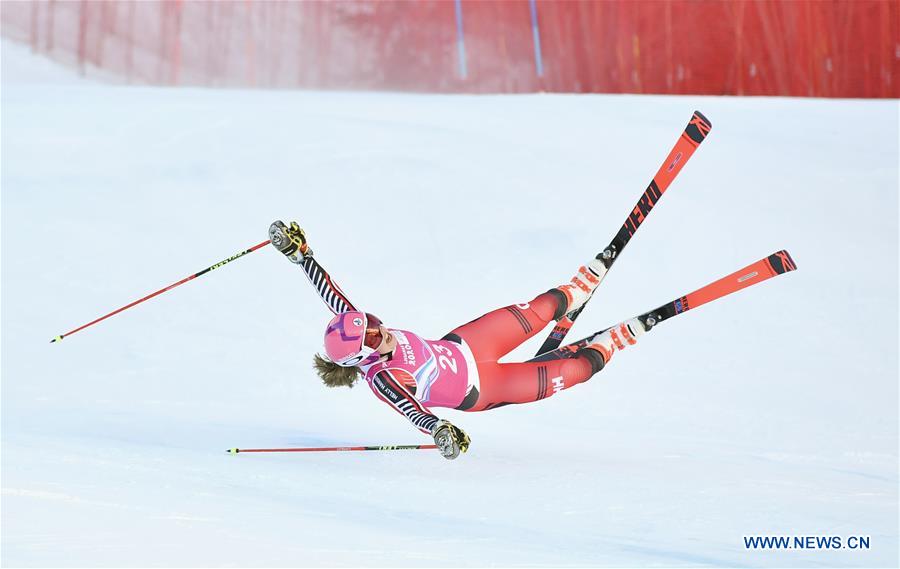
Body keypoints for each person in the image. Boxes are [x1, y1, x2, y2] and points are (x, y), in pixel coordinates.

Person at [269, 220, 645, 460]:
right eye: (369, 336)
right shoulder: (384, 379)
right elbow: (411, 410)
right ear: (359, 358)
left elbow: (330, 292)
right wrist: (439, 431)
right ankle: (610, 344)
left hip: (471, 344)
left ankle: (578, 288)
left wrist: (300, 255)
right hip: (484, 388)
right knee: (574, 371)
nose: (377, 330)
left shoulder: (358, 330)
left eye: (369, 322)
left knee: (539, 310)